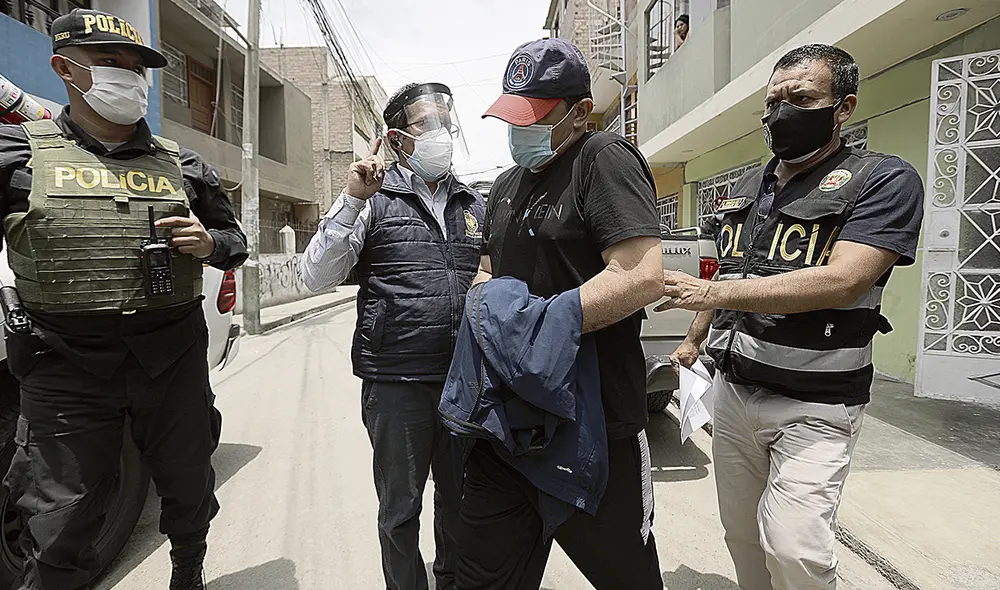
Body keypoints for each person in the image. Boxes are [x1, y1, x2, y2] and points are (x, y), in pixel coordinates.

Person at [661, 44, 924, 590]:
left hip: (817, 402)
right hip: (734, 396)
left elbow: (843, 279)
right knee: (741, 537)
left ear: (843, 107)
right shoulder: (747, 189)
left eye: (801, 99)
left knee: (795, 547)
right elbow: (731, 281)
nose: (782, 113)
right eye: (773, 101)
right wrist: (694, 338)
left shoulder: (882, 180)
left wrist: (705, 288)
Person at [0, 8, 246, 590]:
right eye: (111, 63)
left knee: (188, 487)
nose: (130, 78)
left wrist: (210, 242)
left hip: (171, 359)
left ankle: (189, 568)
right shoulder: (18, 154)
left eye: (137, 68)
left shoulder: (183, 163)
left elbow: (236, 244)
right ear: (65, 68)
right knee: (60, 519)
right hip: (66, 366)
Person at [457, 38, 665, 590]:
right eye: (513, 116)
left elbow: (640, 274)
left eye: (535, 118)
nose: (519, 131)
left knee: (627, 576)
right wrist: (487, 307)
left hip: (592, 422)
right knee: (478, 576)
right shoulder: (504, 185)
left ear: (579, 111)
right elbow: (487, 272)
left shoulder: (603, 159)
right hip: (507, 427)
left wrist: (533, 330)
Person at [299, 83, 483, 590]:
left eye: (448, 120)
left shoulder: (473, 204)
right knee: (401, 511)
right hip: (397, 384)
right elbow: (314, 276)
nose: (443, 132)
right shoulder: (373, 200)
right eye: (429, 123)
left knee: (460, 506)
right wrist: (352, 198)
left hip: (464, 383)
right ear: (397, 137)